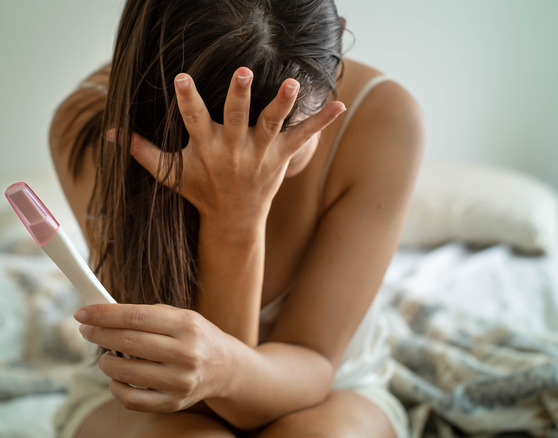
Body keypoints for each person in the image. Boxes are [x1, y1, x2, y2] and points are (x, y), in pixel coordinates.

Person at [49, 0, 424, 436]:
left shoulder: (383, 120)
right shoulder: (91, 127)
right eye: (203, 134)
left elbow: (311, 362)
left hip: (332, 387)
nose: (239, 160)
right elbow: (197, 403)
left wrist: (236, 216)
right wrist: (231, 213)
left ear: (333, 63)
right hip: (150, 393)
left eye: (276, 131)